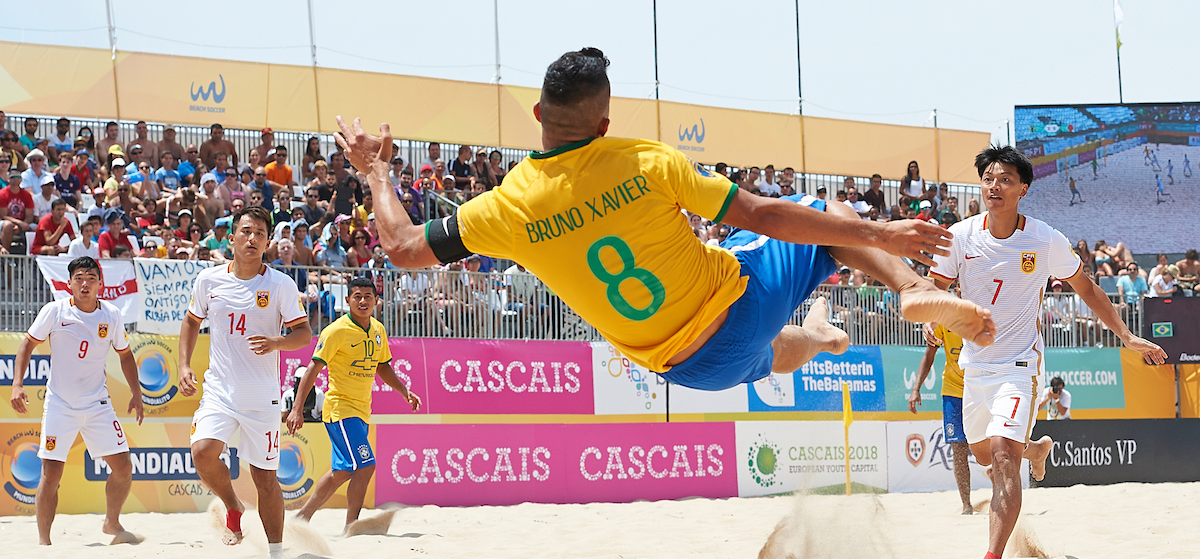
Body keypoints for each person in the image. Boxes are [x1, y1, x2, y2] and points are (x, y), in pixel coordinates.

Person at [337, 47, 996, 393]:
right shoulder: (644, 161)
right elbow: (764, 214)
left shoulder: (505, 206)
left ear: (538, 116)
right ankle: (910, 288)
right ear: (603, 123)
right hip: (734, 307)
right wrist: (882, 235)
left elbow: (397, 245)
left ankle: (823, 337)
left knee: (773, 354)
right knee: (827, 214)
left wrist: (374, 173)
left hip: (683, 369)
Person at [927, 145, 1165, 559]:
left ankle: (992, 554)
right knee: (985, 453)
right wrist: (932, 317)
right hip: (975, 368)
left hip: (1020, 364)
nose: (994, 186)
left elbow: (1087, 288)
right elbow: (935, 288)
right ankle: (1035, 448)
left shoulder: (1044, 238)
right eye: (988, 179)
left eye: (1005, 179)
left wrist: (1127, 336)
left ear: (1023, 188)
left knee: (1002, 456)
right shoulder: (960, 236)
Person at [177, 206, 311, 554]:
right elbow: (191, 322)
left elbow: (304, 334)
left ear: (267, 242)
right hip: (219, 391)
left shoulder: (280, 284)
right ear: (232, 237)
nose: (252, 239)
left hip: (261, 397)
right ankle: (233, 505)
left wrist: (276, 342)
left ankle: (276, 551)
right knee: (203, 452)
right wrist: (183, 366)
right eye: (246, 231)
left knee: (265, 479)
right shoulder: (209, 280)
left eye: (260, 234)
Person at [8, 256, 145, 545]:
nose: (85, 283)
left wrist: (137, 392)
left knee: (123, 467)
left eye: (91, 278)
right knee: (51, 472)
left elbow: (125, 355)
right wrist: (17, 384)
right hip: (60, 404)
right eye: (79, 278)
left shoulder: (110, 314)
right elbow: (27, 344)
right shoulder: (55, 311)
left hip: (97, 404)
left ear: (100, 283)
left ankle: (112, 522)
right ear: (69, 283)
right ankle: (45, 543)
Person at [287, 278, 421, 534]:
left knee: (342, 471)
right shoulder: (336, 330)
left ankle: (302, 518)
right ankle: (352, 526)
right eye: (357, 296)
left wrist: (404, 391)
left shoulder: (378, 329)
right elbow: (313, 368)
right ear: (347, 300)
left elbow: (383, 366)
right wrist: (296, 408)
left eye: (368, 296)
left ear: (376, 300)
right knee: (366, 465)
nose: (362, 301)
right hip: (340, 410)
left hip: (361, 411)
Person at [909, 321, 973, 514]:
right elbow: (930, 354)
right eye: (957, 288)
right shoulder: (942, 319)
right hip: (953, 390)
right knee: (959, 448)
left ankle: (995, 479)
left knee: (988, 448)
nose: (961, 289)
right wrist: (915, 388)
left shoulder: (980, 310)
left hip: (979, 387)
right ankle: (966, 505)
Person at [1, 168, 36, 253]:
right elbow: (3, 216)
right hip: (5, 223)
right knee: (8, 225)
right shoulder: (2, 193)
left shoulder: (27, 195)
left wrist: (20, 227)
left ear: (21, 179)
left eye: (18, 177)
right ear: (8, 179)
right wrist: (19, 223)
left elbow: (29, 216)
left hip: (23, 223)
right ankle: (5, 255)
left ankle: (32, 256)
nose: (15, 179)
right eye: (13, 177)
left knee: (37, 228)